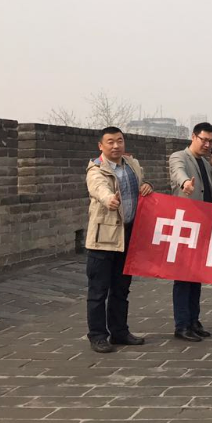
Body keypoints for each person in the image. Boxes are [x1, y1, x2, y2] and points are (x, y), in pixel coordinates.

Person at [84, 127, 152, 353]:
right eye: (110, 142)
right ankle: (97, 336)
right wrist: (108, 200)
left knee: (121, 289)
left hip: (128, 235)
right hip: (103, 239)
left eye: (119, 141)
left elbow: (142, 186)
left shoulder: (132, 164)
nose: (116, 146)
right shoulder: (96, 169)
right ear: (101, 146)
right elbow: (98, 188)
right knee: (98, 291)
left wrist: (147, 187)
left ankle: (119, 331)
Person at [168, 122, 212, 342]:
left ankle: (193, 321)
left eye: (211, 141)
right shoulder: (179, 156)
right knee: (183, 278)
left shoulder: (205, 162)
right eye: (204, 140)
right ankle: (181, 325)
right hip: (186, 228)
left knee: (196, 277)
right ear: (193, 137)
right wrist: (185, 184)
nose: (207, 144)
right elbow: (178, 172)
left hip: (203, 226)